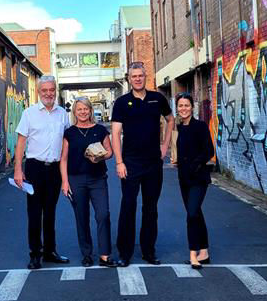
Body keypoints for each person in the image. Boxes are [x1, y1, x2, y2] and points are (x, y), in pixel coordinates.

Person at [111, 62, 174, 267]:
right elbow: (115, 133)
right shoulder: (122, 102)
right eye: (133, 76)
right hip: (130, 163)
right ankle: (124, 253)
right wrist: (119, 162)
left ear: (145, 76)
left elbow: (170, 120)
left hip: (153, 163)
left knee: (151, 208)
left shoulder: (157, 98)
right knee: (128, 206)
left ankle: (149, 251)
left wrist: (165, 146)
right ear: (129, 79)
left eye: (140, 75)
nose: (137, 79)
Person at [13, 75, 71, 269]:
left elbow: (67, 142)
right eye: (44, 90)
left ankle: (50, 251)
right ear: (38, 92)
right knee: (35, 213)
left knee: (51, 213)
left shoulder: (62, 114)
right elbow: (21, 142)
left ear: (55, 91)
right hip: (34, 168)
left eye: (51, 90)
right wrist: (18, 170)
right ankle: (35, 254)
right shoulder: (29, 113)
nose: (48, 93)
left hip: (54, 169)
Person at [60, 98, 121, 268]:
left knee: (103, 214)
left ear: (90, 110)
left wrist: (101, 156)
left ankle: (105, 255)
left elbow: (110, 152)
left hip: (98, 178)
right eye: (79, 109)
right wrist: (65, 182)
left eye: (85, 109)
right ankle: (86, 254)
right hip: (76, 179)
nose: (83, 112)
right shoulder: (69, 133)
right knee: (82, 217)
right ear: (74, 112)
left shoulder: (100, 130)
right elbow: (63, 159)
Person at [175, 92, 213, 269]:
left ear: (192, 107)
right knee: (196, 213)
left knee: (191, 214)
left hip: (198, 178)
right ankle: (204, 251)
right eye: (180, 106)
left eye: (186, 105)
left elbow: (208, 151)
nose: (183, 109)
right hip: (184, 179)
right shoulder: (180, 128)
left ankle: (193, 254)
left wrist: (194, 165)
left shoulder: (200, 126)